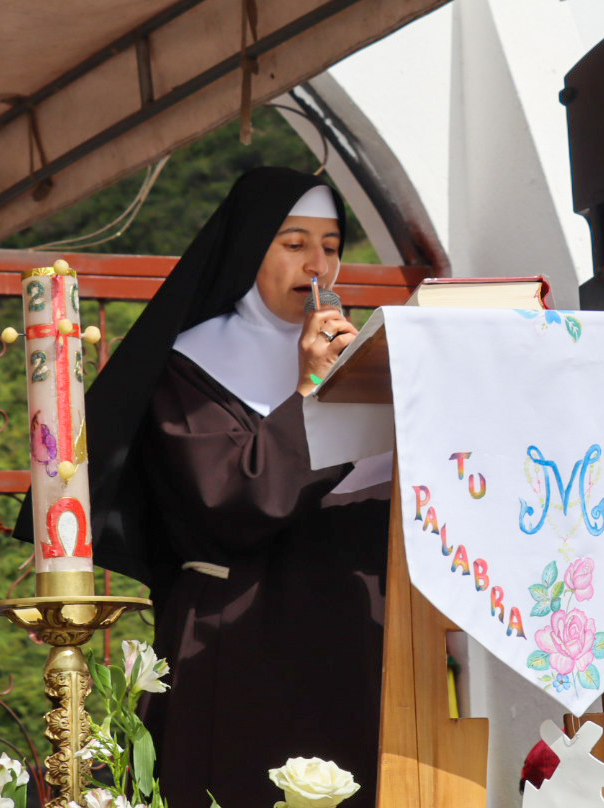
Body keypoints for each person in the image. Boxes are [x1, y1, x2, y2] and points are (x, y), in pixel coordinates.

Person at [21, 167, 389, 808]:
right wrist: (310, 391)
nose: (317, 265)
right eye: (294, 243)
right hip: (239, 644)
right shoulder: (189, 363)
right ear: (251, 248)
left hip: (353, 640)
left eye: (330, 247)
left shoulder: (367, 356)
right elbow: (234, 502)